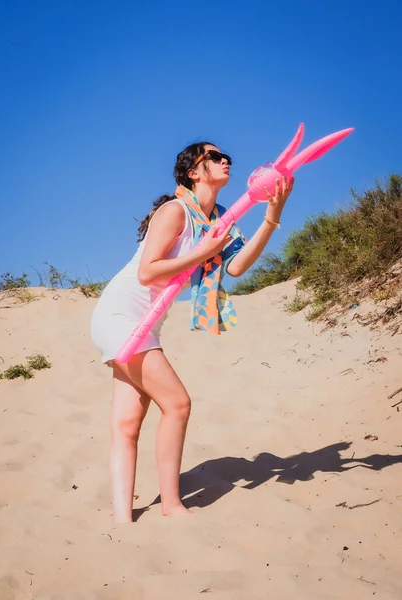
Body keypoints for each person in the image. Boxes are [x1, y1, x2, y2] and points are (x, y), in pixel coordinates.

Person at [90, 141, 294, 523]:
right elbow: (147, 272)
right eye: (215, 157)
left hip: (146, 323)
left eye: (227, 156)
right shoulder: (174, 211)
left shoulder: (220, 218)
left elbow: (235, 269)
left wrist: (272, 215)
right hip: (122, 315)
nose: (225, 160)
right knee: (178, 404)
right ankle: (171, 506)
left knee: (126, 423)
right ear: (193, 171)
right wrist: (203, 252)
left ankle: (122, 520)